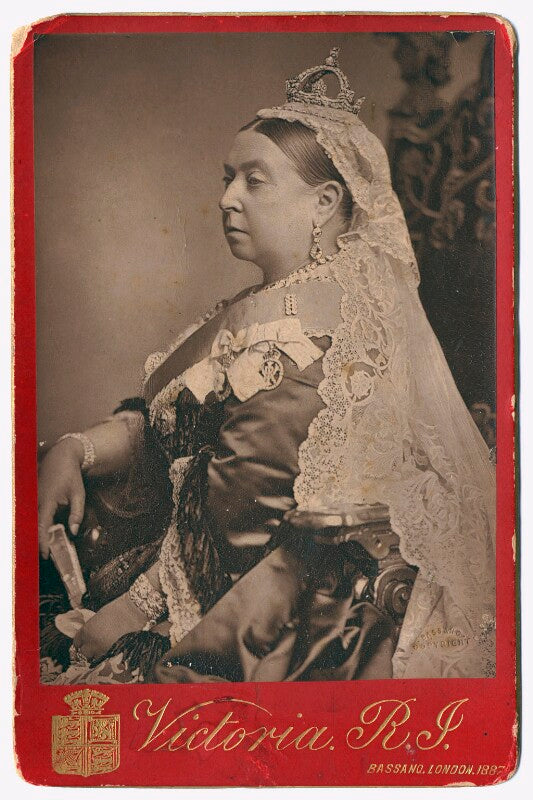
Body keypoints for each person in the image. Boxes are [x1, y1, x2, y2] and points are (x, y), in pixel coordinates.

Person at [38, 49, 495, 684]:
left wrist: (134, 608)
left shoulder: (316, 329)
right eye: (227, 177)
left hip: (264, 602)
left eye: (254, 181)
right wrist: (78, 447)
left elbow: (248, 511)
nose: (227, 199)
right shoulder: (253, 308)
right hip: (192, 563)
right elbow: (168, 418)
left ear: (324, 201)